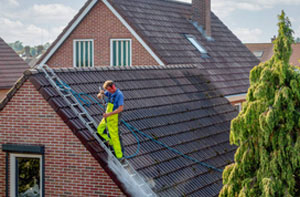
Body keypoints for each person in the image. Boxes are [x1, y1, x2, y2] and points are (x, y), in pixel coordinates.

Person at [97, 80, 124, 160]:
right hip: (107, 116)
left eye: (109, 89)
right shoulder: (109, 92)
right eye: (107, 90)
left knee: (115, 136)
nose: (108, 91)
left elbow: (120, 109)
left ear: (113, 87)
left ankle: (119, 156)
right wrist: (101, 94)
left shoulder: (119, 95)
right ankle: (109, 141)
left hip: (114, 117)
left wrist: (108, 114)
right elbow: (99, 96)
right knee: (100, 130)